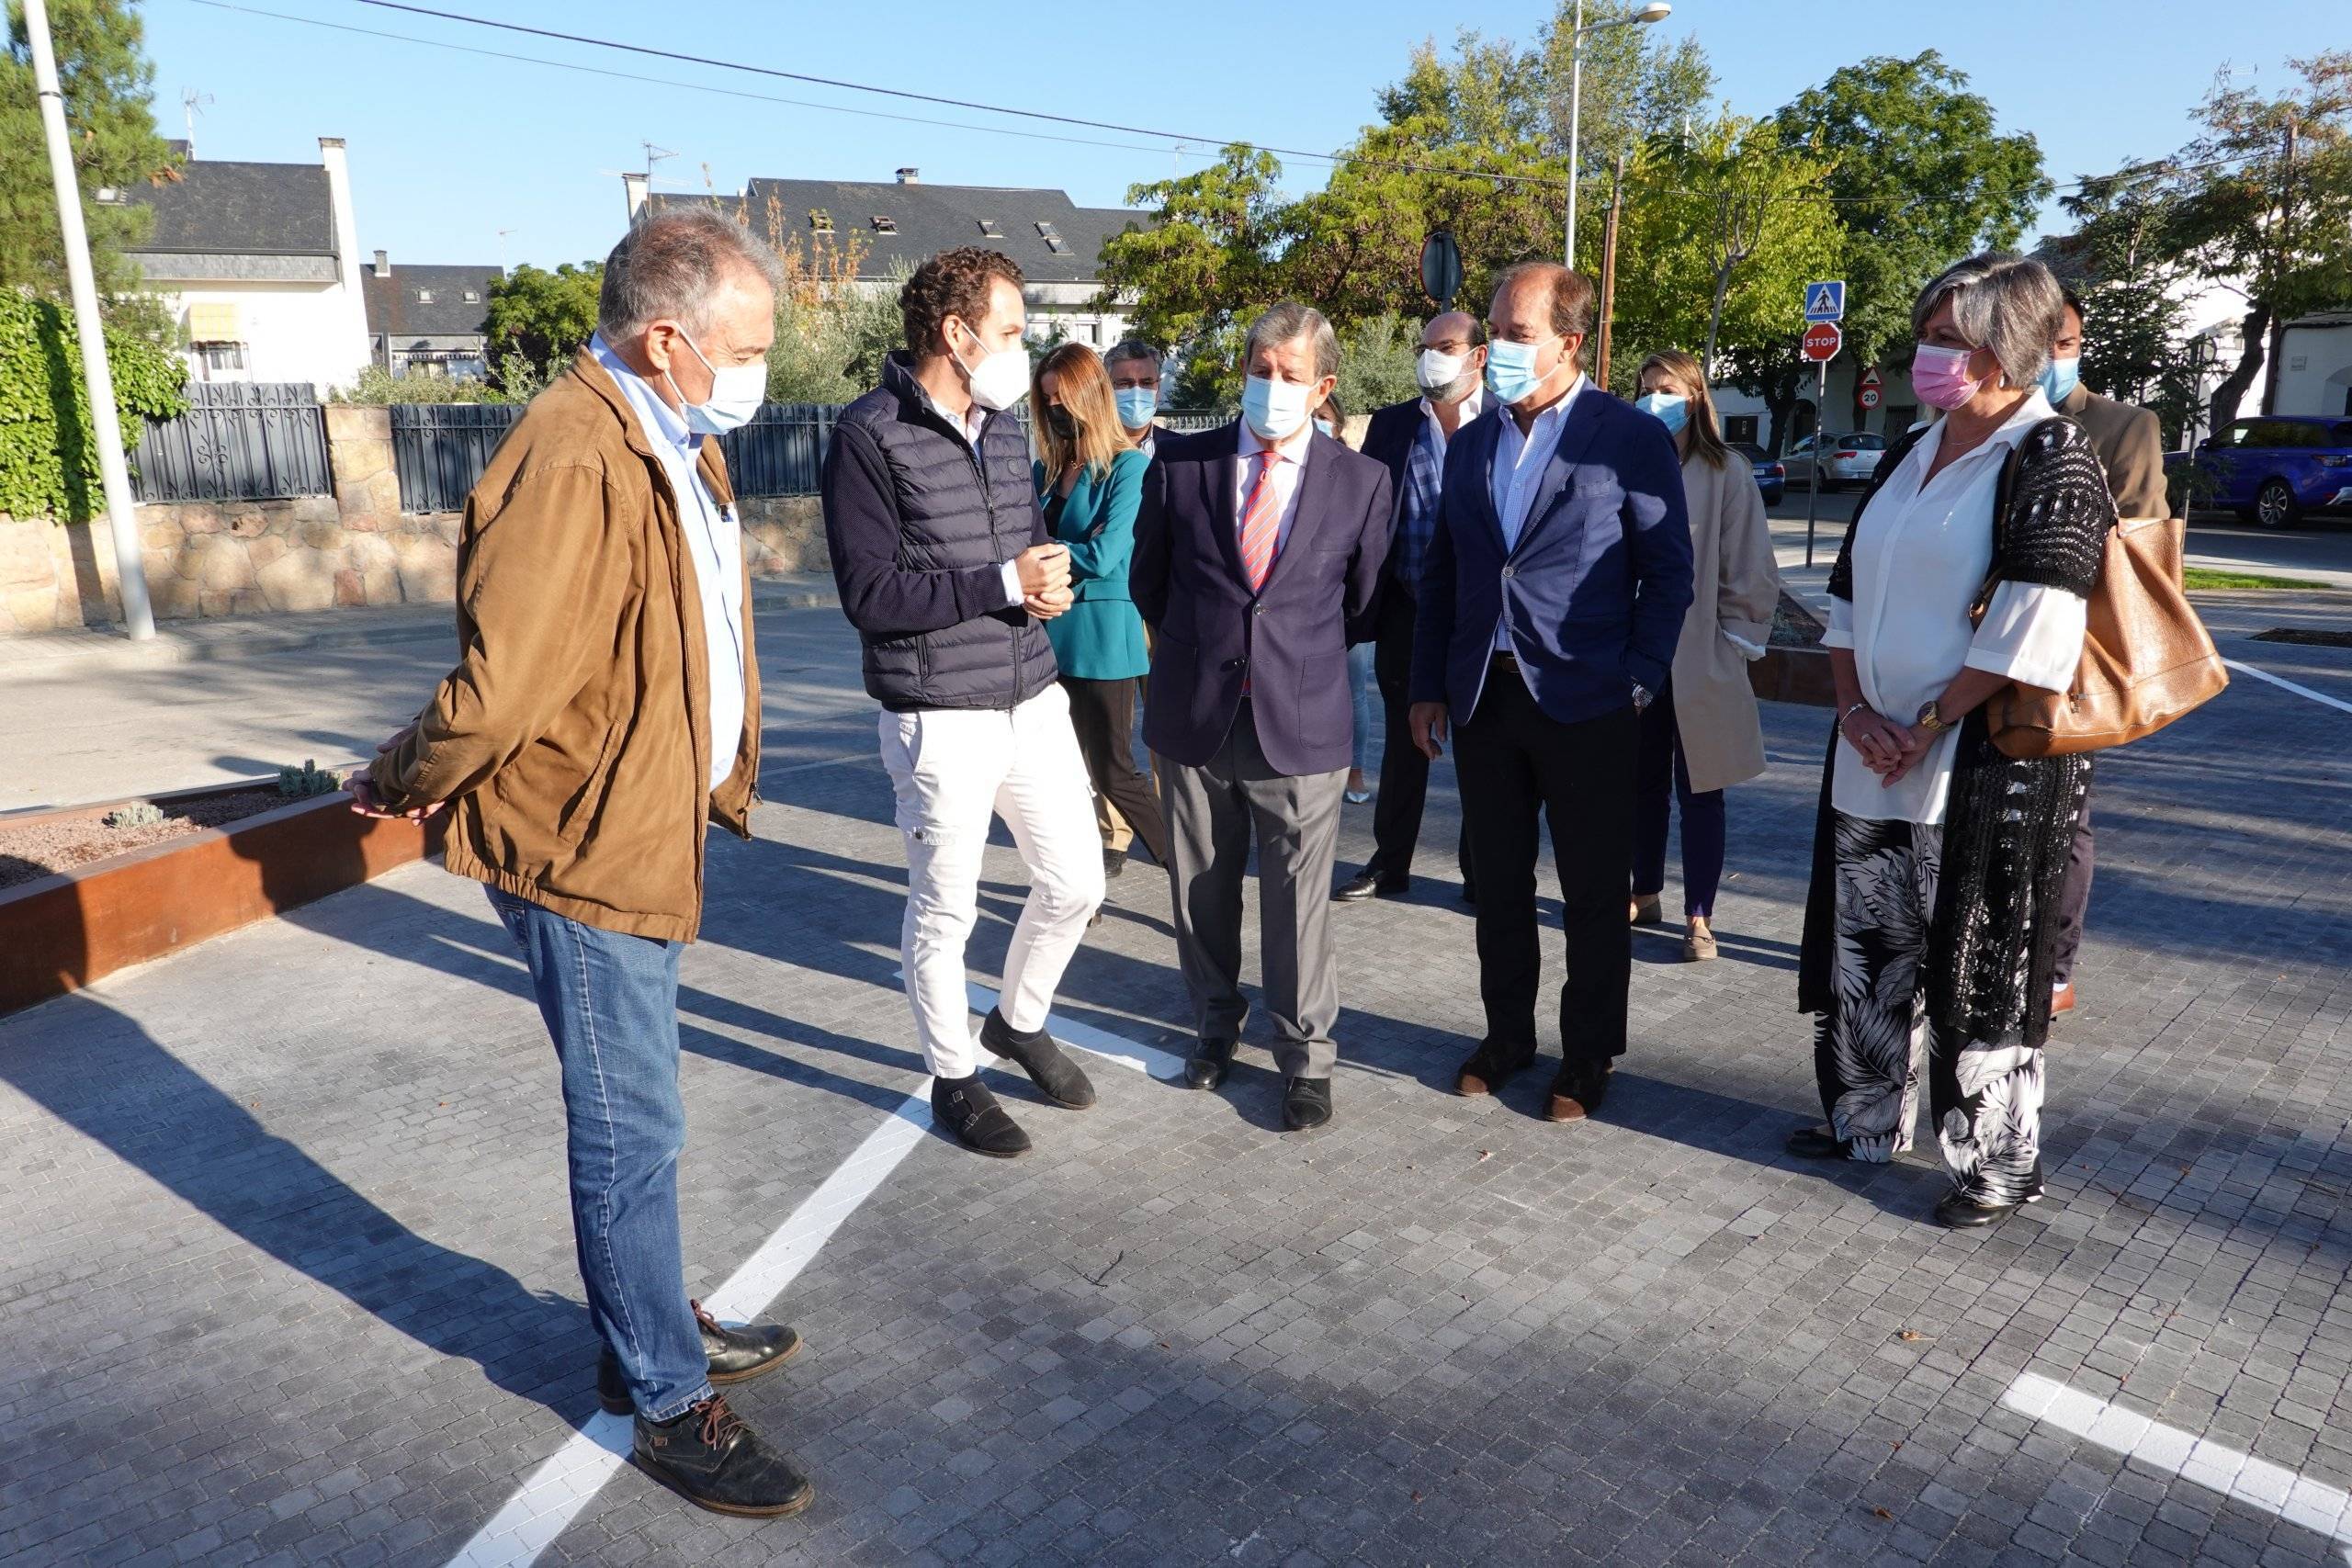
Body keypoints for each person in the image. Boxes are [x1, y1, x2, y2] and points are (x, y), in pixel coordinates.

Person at [347, 208, 810, 1517]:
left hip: (645, 826)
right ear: (669, 336)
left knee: (644, 1116)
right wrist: (396, 775)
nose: (760, 370)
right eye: (749, 345)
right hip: (582, 846)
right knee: (629, 1124)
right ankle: (663, 1394)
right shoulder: (571, 451)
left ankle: (653, 1314)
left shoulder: (671, 432)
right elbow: (497, 692)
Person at [1790, 253, 2109, 1230]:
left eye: (1948, 340)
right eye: (1925, 336)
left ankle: (1994, 1168)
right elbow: (1845, 596)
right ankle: (1861, 1118)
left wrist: (1923, 727)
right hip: (1870, 755)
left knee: (1978, 966)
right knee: (1869, 947)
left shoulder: (2048, 458)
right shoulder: (1905, 450)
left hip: (1975, 767)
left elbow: (2032, 634)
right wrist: (1856, 714)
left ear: (2005, 348)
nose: (1928, 356)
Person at [823, 246, 1105, 1160]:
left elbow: (1024, 545)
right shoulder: (867, 435)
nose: (1024, 348)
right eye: (1013, 330)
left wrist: (1044, 584)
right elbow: (869, 596)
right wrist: (999, 580)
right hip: (936, 708)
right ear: (957, 332)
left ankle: (1018, 1021)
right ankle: (955, 1077)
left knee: (1077, 882)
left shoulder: (1007, 427)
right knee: (947, 910)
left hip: (1031, 692)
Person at [1408, 262, 1693, 1123]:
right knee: (1497, 883)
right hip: (1485, 700)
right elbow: (1448, 571)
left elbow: (1669, 574)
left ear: (1571, 342)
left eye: (1517, 334)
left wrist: (1640, 678)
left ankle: (1589, 1050)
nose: (1497, 348)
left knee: (1594, 892)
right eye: (1494, 330)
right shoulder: (1473, 441)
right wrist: (1427, 685)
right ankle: (1507, 1036)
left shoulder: (1628, 439)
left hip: (1589, 701)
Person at [1132, 302, 1393, 1131]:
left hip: (1303, 723)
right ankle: (1215, 1025)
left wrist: (1291, 655)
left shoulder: (1362, 481)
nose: (1270, 387)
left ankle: (1307, 1059)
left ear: (1324, 387)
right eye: (1259, 369)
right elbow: (1151, 582)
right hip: (1196, 712)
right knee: (1201, 892)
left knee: (1296, 903)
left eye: (1289, 375)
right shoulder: (1182, 463)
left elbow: (1366, 604)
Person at [1628, 350, 1782, 962]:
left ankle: (1700, 913)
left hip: (1702, 654)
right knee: (1638, 784)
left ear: (1695, 395)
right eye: (1645, 388)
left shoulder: (1726, 470)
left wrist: (1735, 643)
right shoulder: (1629, 460)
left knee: (1702, 788)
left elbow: (1750, 563)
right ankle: (1643, 890)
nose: (1654, 398)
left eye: (1666, 388)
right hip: (1637, 653)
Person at [2040, 287, 2167, 1020]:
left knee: (2064, 812)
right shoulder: (1974, 419)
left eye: (2068, 342)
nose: (2058, 355)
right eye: (2045, 341)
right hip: (1968, 651)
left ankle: (2055, 965)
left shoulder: (2124, 425)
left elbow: (2141, 551)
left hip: (2073, 654)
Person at [1334, 311, 1487, 903]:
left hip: (1481, 617)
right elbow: (1367, 518)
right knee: (1405, 742)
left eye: (1446, 346)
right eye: (1425, 347)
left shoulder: (1506, 419)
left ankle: (1481, 871)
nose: (1432, 357)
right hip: (1407, 611)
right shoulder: (1395, 426)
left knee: (1480, 742)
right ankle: (1390, 861)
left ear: (1477, 355)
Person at [1031, 343, 1170, 875]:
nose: (1058, 410)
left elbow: (1110, 552)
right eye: (1048, 401)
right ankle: (1076, 881)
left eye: (1064, 398)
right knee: (1063, 771)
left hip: (1103, 638)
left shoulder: (1128, 467)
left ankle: (1187, 870)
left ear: (1090, 396)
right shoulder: (1047, 469)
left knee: (1114, 770)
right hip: (1049, 635)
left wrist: (1043, 559)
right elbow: (1019, 540)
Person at [1097, 339, 1166, 864]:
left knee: (1167, 728)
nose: (1135, 394)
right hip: (1109, 609)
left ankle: (1172, 825)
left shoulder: (1182, 456)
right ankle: (1113, 835)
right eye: (1123, 383)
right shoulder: (1088, 458)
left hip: (1165, 611)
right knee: (1109, 735)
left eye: (1145, 383)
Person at [1316, 390, 1377, 803]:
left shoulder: (1357, 474)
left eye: (1323, 416)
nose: (1316, 421)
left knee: (1353, 689)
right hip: (1302, 606)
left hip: (1345, 603)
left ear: (1337, 424)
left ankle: (1354, 771)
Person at [1105, 339, 1165, 457]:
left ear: (1158, 387)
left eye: (1147, 383)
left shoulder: (1179, 449)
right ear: (1107, 387)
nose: (1137, 392)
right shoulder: (1086, 451)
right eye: (1125, 383)